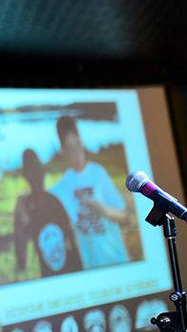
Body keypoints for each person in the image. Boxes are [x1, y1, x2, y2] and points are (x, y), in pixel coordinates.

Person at [48, 115, 131, 269]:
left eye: (77, 144)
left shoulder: (98, 173)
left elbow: (125, 216)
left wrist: (104, 211)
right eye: (69, 147)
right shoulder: (61, 187)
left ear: (82, 142)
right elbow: (46, 202)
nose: (76, 152)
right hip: (90, 266)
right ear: (62, 151)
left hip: (116, 259)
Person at [13, 148, 82, 277]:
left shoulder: (51, 200)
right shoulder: (26, 205)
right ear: (26, 175)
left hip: (67, 266)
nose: (37, 176)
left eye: (38, 171)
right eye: (33, 172)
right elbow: (20, 239)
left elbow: (70, 235)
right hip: (52, 268)